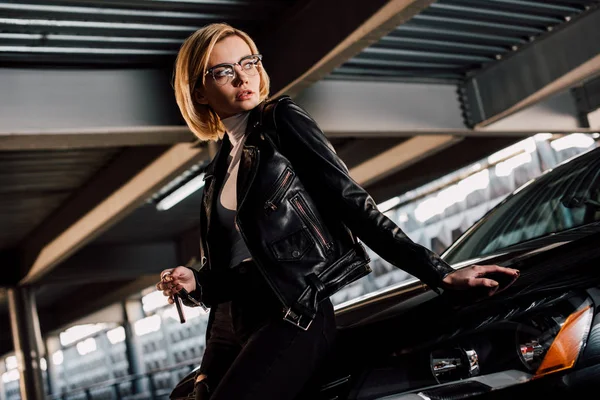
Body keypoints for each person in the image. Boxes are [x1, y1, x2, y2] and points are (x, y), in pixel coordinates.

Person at [156, 22, 520, 400]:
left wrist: (439, 273)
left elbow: (352, 202)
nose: (241, 77)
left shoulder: (281, 121)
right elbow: (237, 269)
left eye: (248, 63)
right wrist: (196, 282)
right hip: (230, 324)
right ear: (198, 90)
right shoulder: (218, 171)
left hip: (291, 312)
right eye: (223, 71)